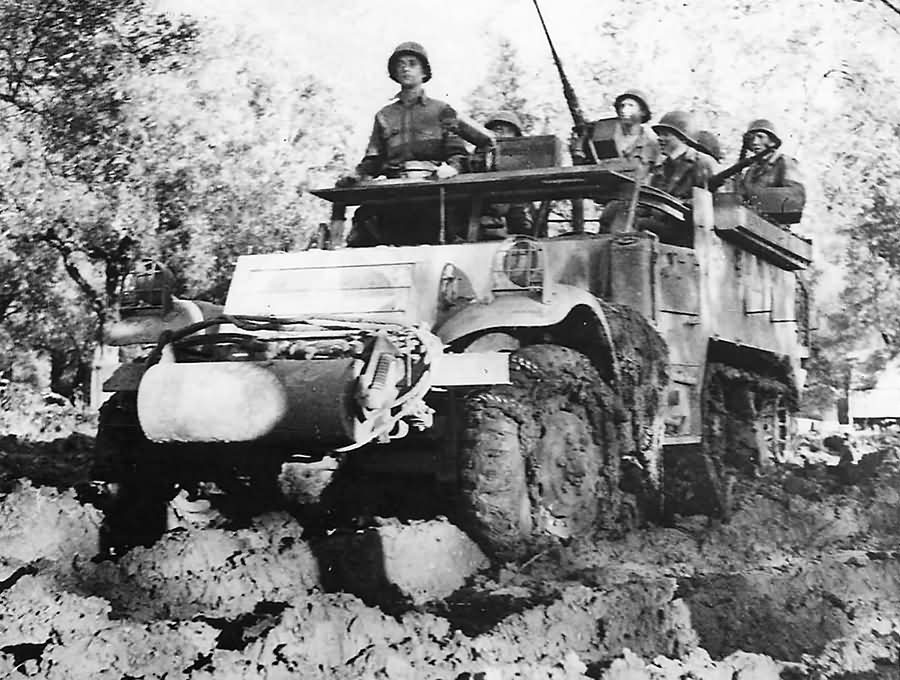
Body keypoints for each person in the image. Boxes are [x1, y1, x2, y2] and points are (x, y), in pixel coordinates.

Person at [339, 42, 469, 246]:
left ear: (424, 72)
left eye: (412, 63)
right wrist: (356, 175)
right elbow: (373, 159)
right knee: (366, 232)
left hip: (433, 193)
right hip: (394, 194)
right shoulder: (384, 116)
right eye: (400, 64)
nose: (405, 68)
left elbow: (458, 154)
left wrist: (452, 168)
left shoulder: (442, 110)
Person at [735, 119, 805, 214]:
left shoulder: (783, 162)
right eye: (751, 139)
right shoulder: (750, 171)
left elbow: (797, 196)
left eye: (760, 137)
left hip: (773, 225)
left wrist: (757, 196)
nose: (755, 142)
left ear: (772, 142)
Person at [479, 111, 531, 237]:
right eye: (496, 130)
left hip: (512, 206)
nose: (500, 134)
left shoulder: (523, 160)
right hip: (482, 209)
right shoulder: (479, 155)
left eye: (506, 131)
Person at [611, 89, 660, 167]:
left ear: (643, 112)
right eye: (622, 106)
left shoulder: (651, 141)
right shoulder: (609, 134)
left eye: (630, 106)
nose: (623, 110)